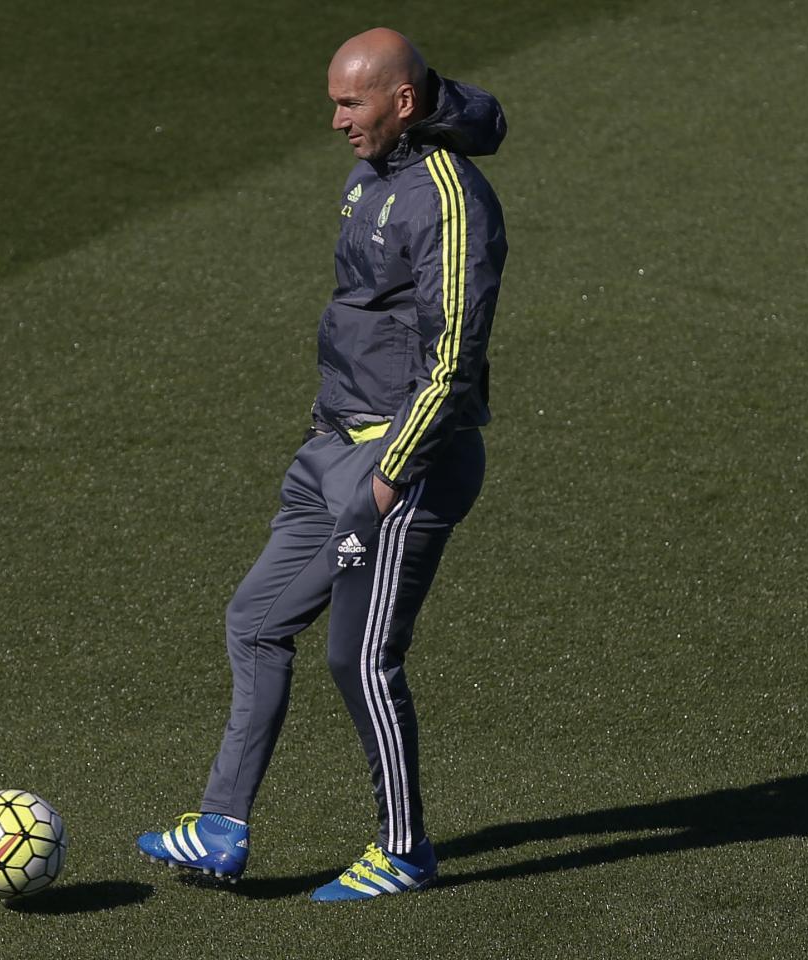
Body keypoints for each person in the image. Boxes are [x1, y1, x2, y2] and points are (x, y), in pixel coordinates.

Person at [136, 27, 508, 901]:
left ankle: (405, 850)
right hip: (329, 449)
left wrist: (385, 476)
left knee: (362, 656)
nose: (337, 121)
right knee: (255, 620)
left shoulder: (450, 201)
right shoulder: (372, 172)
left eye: (352, 103)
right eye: (334, 102)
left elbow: (455, 358)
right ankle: (221, 827)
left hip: (400, 465)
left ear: (403, 101)